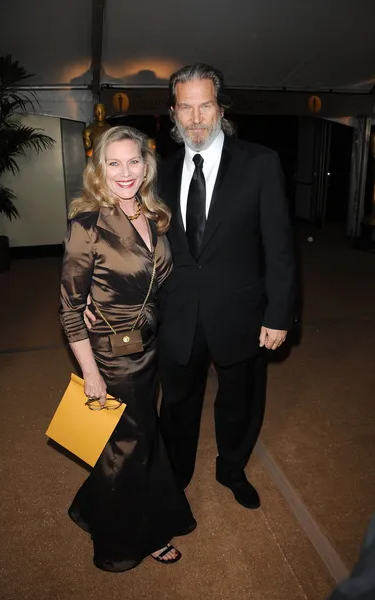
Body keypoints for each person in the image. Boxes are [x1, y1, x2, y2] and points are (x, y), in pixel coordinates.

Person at [84, 64, 295, 510]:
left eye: (205, 106)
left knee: (240, 400)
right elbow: (129, 240)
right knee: (177, 403)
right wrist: (94, 291)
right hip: (177, 310)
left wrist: (279, 313)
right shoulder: (158, 170)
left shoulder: (260, 163)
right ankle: (175, 474)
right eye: (186, 107)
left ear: (220, 108)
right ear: (174, 112)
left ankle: (231, 468)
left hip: (241, 312)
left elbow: (280, 245)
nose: (196, 118)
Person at [59, 125, 196, 573]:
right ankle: (127, 541)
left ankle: (91, 508)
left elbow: (158, 282)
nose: (124, 172)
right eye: (113, 163)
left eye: (133, 161)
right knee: (128, 446)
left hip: (148, 349)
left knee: (139, 438)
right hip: (113, 357)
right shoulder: (87, 225)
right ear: (99, 169)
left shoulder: (155, 214)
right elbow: (69, 309)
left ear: (146, 164)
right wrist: (91, 373)